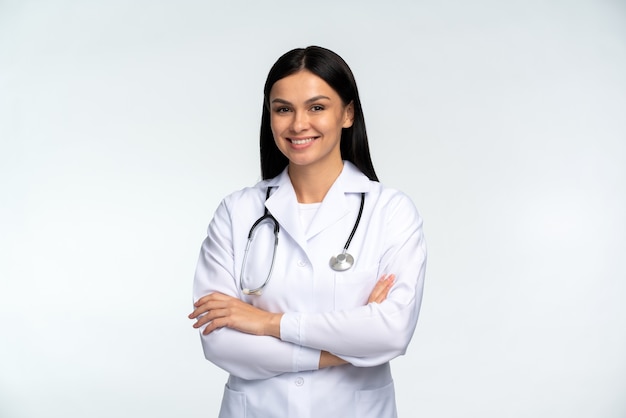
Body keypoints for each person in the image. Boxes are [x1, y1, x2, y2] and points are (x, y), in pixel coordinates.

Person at [188, 45, 427, 418]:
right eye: (283, 109)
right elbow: (220, 343)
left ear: (347, 113)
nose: (298, 124)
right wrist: (343, 349)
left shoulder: (390, 211)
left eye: (317, 107)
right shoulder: (238, 212)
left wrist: (267, 323)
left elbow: (391, 332)